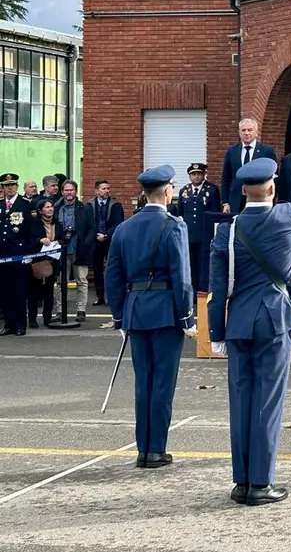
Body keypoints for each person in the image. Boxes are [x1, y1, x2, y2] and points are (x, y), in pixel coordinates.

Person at [207, 158, 291, 506]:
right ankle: (261, 483)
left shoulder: (227, 230)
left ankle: (241, 482)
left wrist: (216, 334)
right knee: (267, 402)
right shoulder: (285, 216)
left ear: (243, 191)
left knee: (241, 403)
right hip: (275, 320)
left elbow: (216, 291)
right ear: (272, 187)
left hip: (238, 323)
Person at [105, 164, 197, 469]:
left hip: (135, 309)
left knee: (143, 380)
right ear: (168, 191)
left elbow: (113, 277)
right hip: (166, 310)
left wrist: (119, 316)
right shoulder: (174, 226)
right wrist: (187, 318)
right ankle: (156, 449)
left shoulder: (124, 228)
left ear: (144, 194)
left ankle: (143, 448)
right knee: (162, 383)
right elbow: (182, 277)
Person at [176, 163, 222, 293]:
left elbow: (215, 213)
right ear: (189, 176)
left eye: (199, 174)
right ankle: (192, 290)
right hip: (189, 235)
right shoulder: (184, 191)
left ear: (204, 175)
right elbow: (180, 214)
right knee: (190, 264)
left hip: (204, 235)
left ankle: (202, 291)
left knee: (203, 264)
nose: (196, 177)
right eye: (193, 174)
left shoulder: (212, 190)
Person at [54, 180, 96, 322]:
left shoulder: (85, 207)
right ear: (62, 192)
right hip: (61, 250)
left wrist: (86, 244)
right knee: (60, 282)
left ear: (76, 191)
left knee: (82, 281)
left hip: (79, 249)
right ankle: (60, 310)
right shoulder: (57, 207)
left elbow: (92, 228)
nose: (69, 193)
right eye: (66, 190)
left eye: (71, 190)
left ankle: (81, 310)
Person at [1, 173, 34, 336]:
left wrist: (28, 252)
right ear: (3, 188)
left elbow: (32, 231)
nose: (10, 188)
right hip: (2, 255)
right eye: (7, 186)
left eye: (12, 185)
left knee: (20, 290)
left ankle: (21, 324)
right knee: (5, 290)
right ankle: (8, 323)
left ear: (17, 186)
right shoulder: (0, 206)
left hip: (19, 254)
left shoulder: (25, 205)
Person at [221, 118, 277, 215]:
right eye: (243, 130)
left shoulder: (266, 151)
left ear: (256, 132)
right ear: (239, 132)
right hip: (236, 200)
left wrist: (270, 201)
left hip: (259, 199)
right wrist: (225, 202)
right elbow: (226, 178)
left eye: (250, 130)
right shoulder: (232, 151)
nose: (246, 133)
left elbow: (274, 178)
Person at [90, 179, 125, 307]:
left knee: (111, 269)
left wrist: (106, 234)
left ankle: (111, 297)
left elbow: (118, 223)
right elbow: (88, 224)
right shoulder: (89, 205)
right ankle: (100, 297)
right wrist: (96, 235)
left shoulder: (116, 205)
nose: (107, 191)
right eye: (104, 189)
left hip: (110, 240)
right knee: (97, 270)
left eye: (108, 188)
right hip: (95, 241)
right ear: (96, 191)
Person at [28, 199, 59, 328]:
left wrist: (58, 242)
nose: (50, 209)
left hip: (52, 260)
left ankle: (48, 318)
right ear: (40, 211)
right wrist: (39, 240)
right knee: (34, 292)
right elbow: (29, 240)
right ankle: (32, 318)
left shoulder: (57, 222)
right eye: (47, 207)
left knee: (49, 292)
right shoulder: (35, 223)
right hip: (37, 261)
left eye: (51, 206)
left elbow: (62, 237)